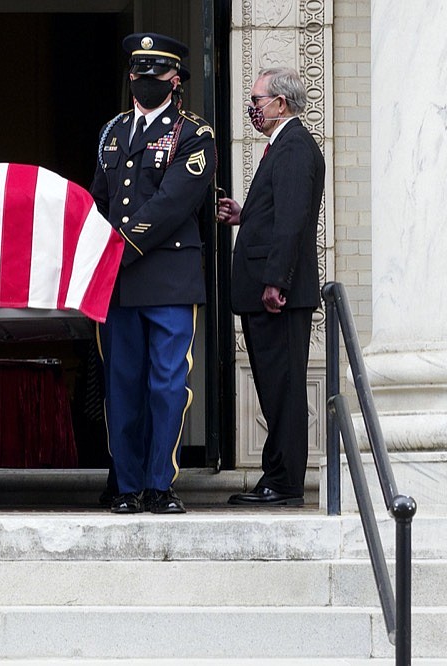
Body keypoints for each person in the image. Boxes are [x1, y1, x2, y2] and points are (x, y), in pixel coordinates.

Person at [90, 33, 217, 514]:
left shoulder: (193, 133)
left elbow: (172, 203)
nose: (144, 82)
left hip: (166, 277)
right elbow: (99, 199)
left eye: (155, 74)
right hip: (116, 284)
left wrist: (119, 247)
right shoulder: (113, 131)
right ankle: (126, 485)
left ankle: (160, 483)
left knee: (166, 384)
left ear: (175, 79)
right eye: (138, 73)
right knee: (122, 386)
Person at [217, 67, 325, 506]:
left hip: (278, 296)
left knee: (282, 388)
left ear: (281, 103)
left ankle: (282, 483)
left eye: (257, 100)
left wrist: (276, 281)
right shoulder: (283, 146)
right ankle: (277, 476)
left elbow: (293, 221)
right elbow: (279, 210)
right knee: (275, 387)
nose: (252, 109)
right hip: (269, 291)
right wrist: (246, 214)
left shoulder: (295, 147)